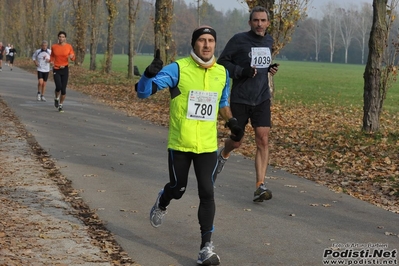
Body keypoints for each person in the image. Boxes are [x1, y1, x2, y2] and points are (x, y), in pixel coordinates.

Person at [136, 26, 243, 265]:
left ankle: (206, 248)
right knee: (178, 189)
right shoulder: (178, 69)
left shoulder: (222, 73)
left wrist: (232, 121)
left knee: (208, 192)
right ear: (194, 44)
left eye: (211, 41)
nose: (207, 45)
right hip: (180, 144)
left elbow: (222, 102)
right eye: (202, 41)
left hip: (206, 145)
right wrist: (147, 75)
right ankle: (163, 200)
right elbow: (143, 93)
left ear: (215, 45)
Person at [216, 6, 279, 203]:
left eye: (263, 20)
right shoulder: (238, 40)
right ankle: (224, 153)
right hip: (240, 98)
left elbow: (260, 64)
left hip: (261, 98)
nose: (259, 24)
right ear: (250, 23)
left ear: (268, 23)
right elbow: (222, 62)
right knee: (237, 141)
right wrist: (241, 71)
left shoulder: (269, 40)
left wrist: (269, 69)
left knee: (263, 140)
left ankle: (260, 185)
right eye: (256, 20)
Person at [50, 31, 75, 112]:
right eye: (60, 36)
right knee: (58, 86)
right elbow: (52, 56)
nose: (61, 38)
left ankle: (60, 105)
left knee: (63, 89)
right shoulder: (54, 46)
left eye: (63, 37)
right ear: (58, 38)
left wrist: (72, 57)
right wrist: (51, 61)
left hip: (65, 69)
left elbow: (73, 57)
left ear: (65, 38)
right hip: (56, 69)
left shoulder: (69, 46)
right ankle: (56, 98)